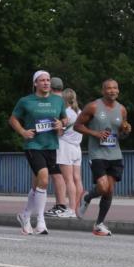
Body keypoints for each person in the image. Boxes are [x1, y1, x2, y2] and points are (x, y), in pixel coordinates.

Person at [10, 71, 68, 235]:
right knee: (44, 179)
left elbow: (64, 119)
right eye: (42, 80)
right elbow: (13, 119)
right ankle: (41, 221)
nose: (46, 83)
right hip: (33, 145)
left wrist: (61, 124)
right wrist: (22, 131)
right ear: (35, 83)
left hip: (50, 145)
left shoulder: (57, 100)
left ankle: (25, 215)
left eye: (48, 80)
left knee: (37, 184)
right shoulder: (26, 101)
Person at [75, 79, 131, 236]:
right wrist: (95, 134)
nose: (112, 91)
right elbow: (77, 126)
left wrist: (125, 131)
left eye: (115, 88)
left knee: (109, 190)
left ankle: (99, 224)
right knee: (103, 187)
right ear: (103, 91)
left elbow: (121, 133)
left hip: (115, 154)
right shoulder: (93, 106)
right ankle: (87, 197)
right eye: (108, 88)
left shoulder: (122, 110)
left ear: (118, 91)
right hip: (97, 153)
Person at [45, 76, 71, 218]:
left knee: (56, 175)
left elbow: (60, 128)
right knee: (70, 178)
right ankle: (67, 207)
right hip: (70, 145)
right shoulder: (70, 103)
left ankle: (61, 205)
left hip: (57, 144)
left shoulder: (55, 102)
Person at [56, 88, 84, 217]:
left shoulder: (65, 113)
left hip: (65, 146)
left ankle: (71, 209)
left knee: (68, 180)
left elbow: (60, 132)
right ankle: (77, 208)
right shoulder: (80, 112)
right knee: (77, 179)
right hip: (77, 147)